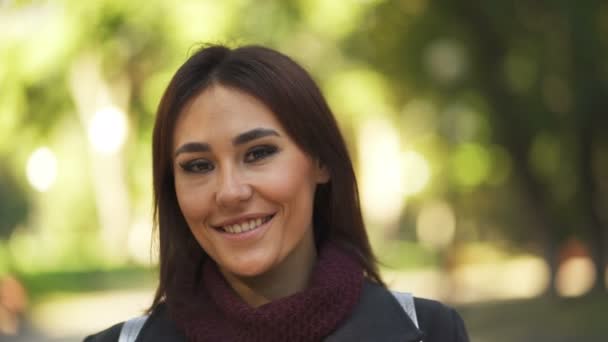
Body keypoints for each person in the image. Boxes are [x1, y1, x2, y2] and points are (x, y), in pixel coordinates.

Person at [84, 44, 469, 342]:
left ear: (321, 162)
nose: (230, 192)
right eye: (198, 165)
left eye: (258, 153)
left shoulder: (430, 333)